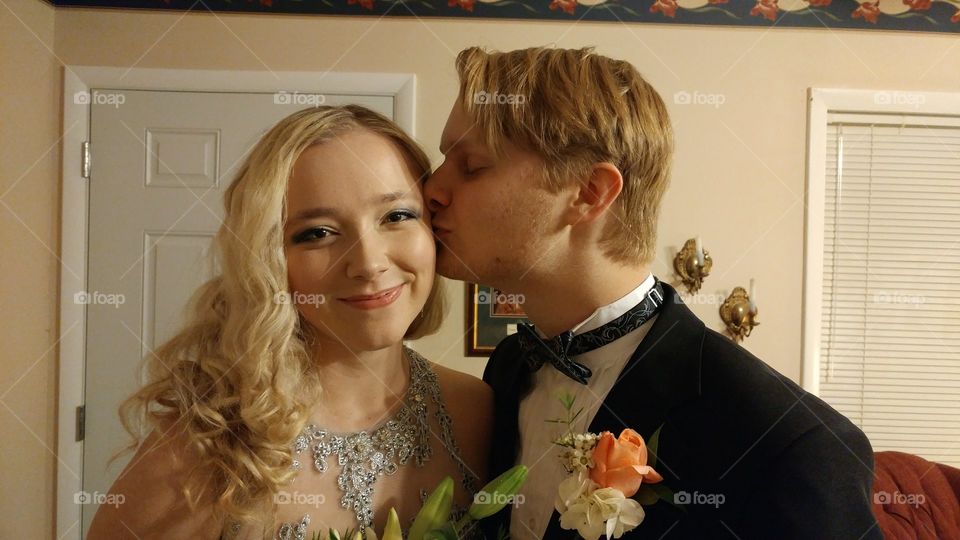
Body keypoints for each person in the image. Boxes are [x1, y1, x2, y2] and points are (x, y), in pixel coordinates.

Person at [424, 46, 881, 539]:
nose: (432, 189)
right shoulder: (511, 367)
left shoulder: (794, 447)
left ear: (589, 192)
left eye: (471, 166)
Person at [87, 105, 492, 540]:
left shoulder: (477, 408)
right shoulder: (206, 449)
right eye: (317, 233)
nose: (368, 263)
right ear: (268, 260)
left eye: (396, 216)